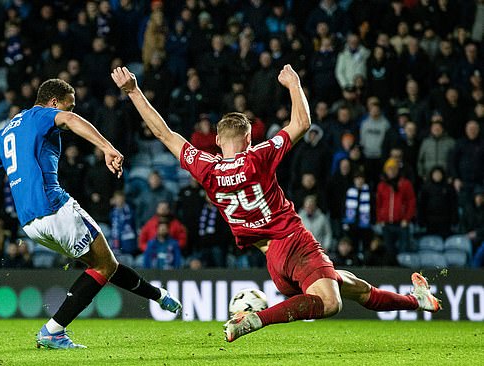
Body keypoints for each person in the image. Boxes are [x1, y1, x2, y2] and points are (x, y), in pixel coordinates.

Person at [111, 64, 440, 343]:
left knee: (353, 285)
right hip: (293, 242)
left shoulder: (205, 166)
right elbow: (302, 124)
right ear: (249, 137)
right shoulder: (258, 156)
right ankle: (255, 320)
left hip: (271, 261)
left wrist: (133, 91)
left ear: (217, 140)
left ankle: (417, 301)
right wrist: (294, 85)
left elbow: (164, 133)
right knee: (330, 303)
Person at [0, 79, 181, 349]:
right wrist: (107, 147)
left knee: (102, 265)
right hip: (53, 206)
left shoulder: (6, 131)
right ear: (54, 101)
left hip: (30, 223)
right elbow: (68, 119)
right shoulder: (42, 115)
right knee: (104, 265)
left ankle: (159, 296)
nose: (73, 109)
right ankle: (53, 330)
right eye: (71, 103)